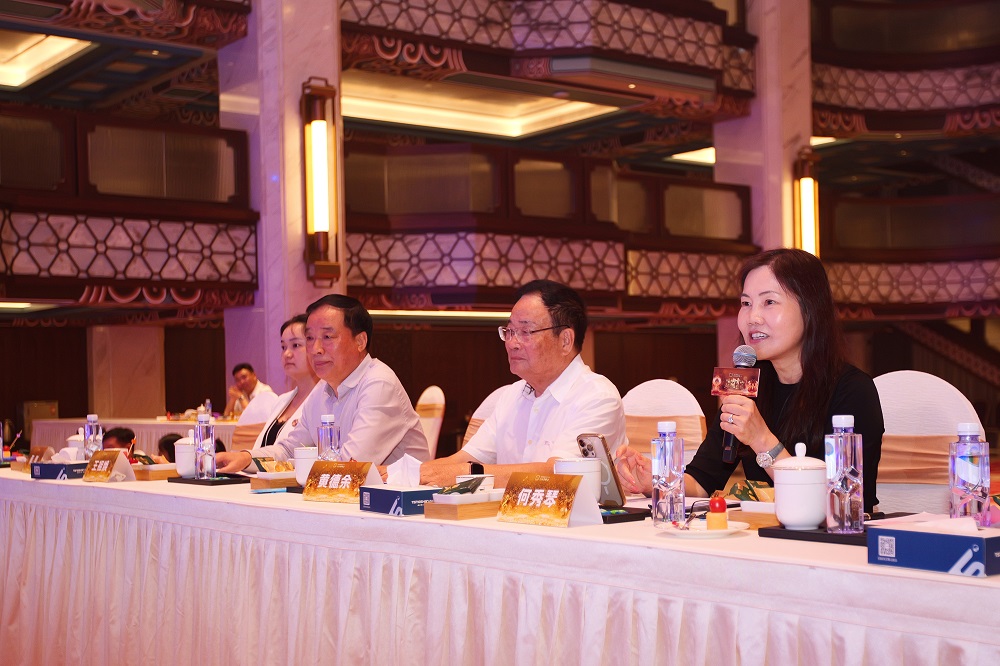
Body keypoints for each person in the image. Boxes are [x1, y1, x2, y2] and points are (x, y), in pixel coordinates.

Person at [615, 248, 884, 512]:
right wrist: (657, 480)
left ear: (810, 309)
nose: (752, 318)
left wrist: (761, 439)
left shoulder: (853, 390)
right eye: (746, 304)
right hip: (760, 533)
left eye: (769, 302)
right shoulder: (747, 385)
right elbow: (703, 480)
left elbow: (842, 504)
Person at [420, 279, 627, 488]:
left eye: (526, 332)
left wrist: (471, 474)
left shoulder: (597, 397)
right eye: (510, 331)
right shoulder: (511, 395)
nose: (512, 343)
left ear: (565, 340)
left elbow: (558, 476)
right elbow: (463, 460)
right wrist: (408, 474)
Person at [217, 295, 427, 472]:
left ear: (360, 341)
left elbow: (350, 466)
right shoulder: (322, 389)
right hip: (344, 499)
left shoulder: (379, 384)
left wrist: (293, 467)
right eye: (310, 338)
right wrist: (245, 458)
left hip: (400, 503)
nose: (316, 349)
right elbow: (289, 450)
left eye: (327, 336)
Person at [217, 315, 320, 470]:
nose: (287, 354)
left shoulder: (326, 400)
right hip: (262, 476)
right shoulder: (282, 401)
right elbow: (273, 449)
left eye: (296, 345)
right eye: (283, 347)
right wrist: (244, 459)